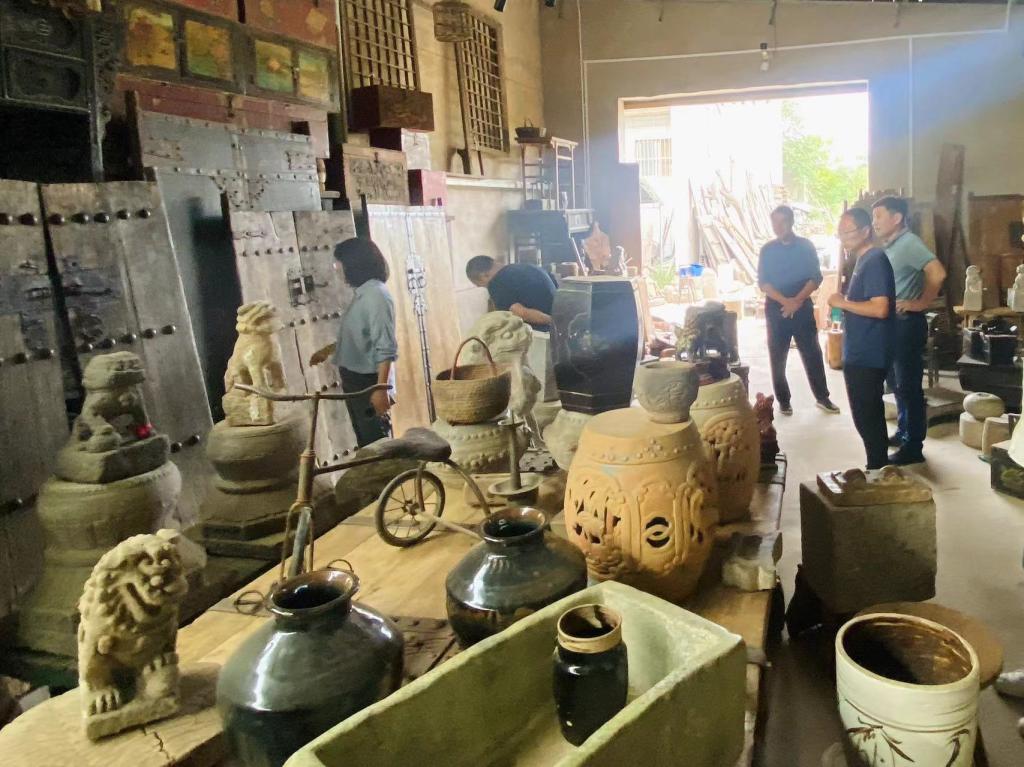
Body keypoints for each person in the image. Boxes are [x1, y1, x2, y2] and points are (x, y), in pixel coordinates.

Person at [871, 196, 947, 465]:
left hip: (907, 324)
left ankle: (914, 447)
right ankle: (904, 432)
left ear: (896, 218)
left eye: (879, 216)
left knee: (909, 386)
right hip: (893, 323)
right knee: (896, 383)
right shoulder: (892, 245)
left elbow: (937, 273)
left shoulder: (909, 243)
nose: (874, 222)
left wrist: (921, 303)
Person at [310, 237, 397, 447]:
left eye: (339, 263)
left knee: (377, 446)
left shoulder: (376, 295)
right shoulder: (364, 293)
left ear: (354, 263)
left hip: (368, 382)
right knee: (368, 443)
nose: (337, 269)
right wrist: (328, 350)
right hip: (359, 382)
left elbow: (385, 345)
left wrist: (381, 389)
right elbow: (361, 335)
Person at [827, 208, 896, 470]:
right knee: (864, 415)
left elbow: (880, 308)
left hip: (869, 352)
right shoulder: (862, 259)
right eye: (840, 232)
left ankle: (878, 470)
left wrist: (843, 303)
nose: (842, 237)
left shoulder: (875, 260)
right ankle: (877, 466)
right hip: (859, 349)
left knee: (868, 415)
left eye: (848, 232)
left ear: (866, 231)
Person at [757, 205, 839, 416]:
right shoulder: (767, 250)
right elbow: (764, 283)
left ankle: (822, 397)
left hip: (802, 307)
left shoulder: (805, 247)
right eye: (774, 222)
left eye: (782, 222)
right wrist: (785, 301)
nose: (778, 227)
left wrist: (797, 300)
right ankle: (784, 401)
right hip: (776, 309)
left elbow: (815, 277)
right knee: (778, 356)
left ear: (792, 222)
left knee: (812, 353)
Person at [465, 255, 557, 331]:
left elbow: (522, 313)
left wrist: (553, 321)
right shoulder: (528, 267)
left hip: (544, 331)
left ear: (484, 276)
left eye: (480, 284)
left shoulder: (497, 283)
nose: (484, 287)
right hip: (558, 319)